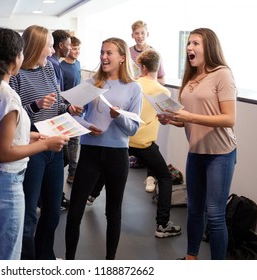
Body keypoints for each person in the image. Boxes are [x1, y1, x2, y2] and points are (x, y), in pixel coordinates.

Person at [0, 27, 69, 260]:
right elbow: (4, 152)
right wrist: (46, 145)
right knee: (8, 257)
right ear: (14, 58)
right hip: (3, 181)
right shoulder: (7, 96)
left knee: (2, 248)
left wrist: (33, 136)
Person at [158, 28, 237, 260]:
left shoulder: (223, 74)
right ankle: (191, 258)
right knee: (193, 210)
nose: (189, 48)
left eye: (195, 43)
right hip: (196, 152)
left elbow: (229, 119)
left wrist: (189, 117)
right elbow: (187, 121)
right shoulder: (191, 78)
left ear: (209, 47)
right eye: (189, 43)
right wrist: (172, 119)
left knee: (214, 214)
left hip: (220, 154)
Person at [65, 37, 142, 260]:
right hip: (89, 152)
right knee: (75, 211)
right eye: (102, 52)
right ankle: (69, 262)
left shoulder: (133, 88)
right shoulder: (91, 83)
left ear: (121, 58)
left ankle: (110, 264)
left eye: (109, 53)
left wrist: (118, 117)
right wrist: (78, 116)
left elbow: (133, 129)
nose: (104, 57)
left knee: (113, 213)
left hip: (117, 155)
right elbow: (77, 116)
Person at [9, 25, 81, 260]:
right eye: (49, 45)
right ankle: (28, 263)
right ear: (37, 46)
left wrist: (68, 108)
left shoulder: (49, 68)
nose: (53, 50)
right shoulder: (16, 76)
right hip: (33, 149)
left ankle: (45, 259)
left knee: (52, 212)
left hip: (55, 147)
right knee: (29, 213)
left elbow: (58, 105)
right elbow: (15, 119)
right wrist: (37, 105)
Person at [129, 49, 181, 238]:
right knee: (165, 178)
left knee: (107, 166)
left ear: (142, 67)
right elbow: (169, 116)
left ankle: (91, 196)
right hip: (144, 143)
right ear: (157, 68)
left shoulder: (133, 85)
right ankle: (163, 224)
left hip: (127, 139)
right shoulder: (164, 91)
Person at [48, 29, 72, 210]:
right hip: (54, 118)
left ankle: (54, 196)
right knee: (62, 158)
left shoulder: (57, 64)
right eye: (69, 45)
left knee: (62, 158)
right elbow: (56, 94)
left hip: (59, 113)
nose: (71, 48)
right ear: (61, 45)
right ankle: (50, 197)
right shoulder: (53, 64)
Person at [60, 36, 82, 185]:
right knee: (65, 143)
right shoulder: (61, 67)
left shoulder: (78, 63)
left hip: (77, 108)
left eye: (79, 49)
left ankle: (73, 173)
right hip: (64, 109)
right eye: (74, 48)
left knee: (75, 141)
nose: (77, 52)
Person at [129, 20, 165, 85]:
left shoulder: (155, 54)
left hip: (147, 93)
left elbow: (162, 80)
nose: (140, 36)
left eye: (143, 33)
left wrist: (146, 79)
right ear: (132, 35)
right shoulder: (128, 52)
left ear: (147, 34)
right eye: (136, 33)